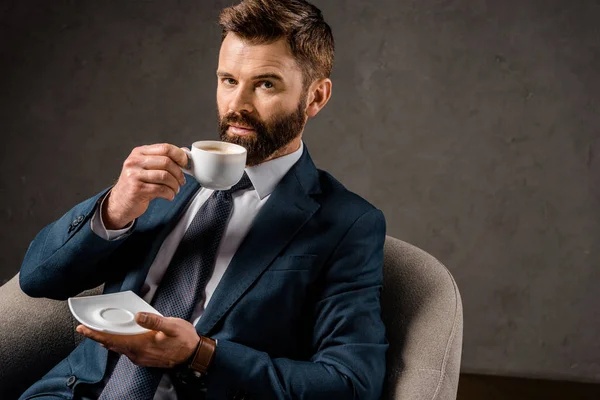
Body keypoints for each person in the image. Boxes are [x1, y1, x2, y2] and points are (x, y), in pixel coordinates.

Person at [18, 1, 387, 399]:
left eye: (265, 84)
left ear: (315, 98)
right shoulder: (160, 181)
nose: (238, 105)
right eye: (228, 80)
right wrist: (115, 209)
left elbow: (351, 384)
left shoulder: (347, 224)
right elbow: (38, 279)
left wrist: (201, 354)